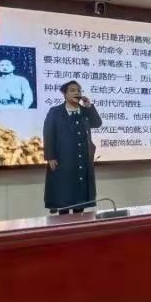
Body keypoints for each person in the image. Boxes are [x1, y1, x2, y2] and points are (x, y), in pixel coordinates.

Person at [43, 80, 102, 214]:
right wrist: (50, 156)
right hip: (63, 159)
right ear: (65, 94)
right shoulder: (55, 112)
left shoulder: (84, 111)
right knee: (63, 196)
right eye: (73, 90)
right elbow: (48, 134)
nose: (77, 93)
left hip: (82, 160)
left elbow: (97, 123)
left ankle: (79, 219)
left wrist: (89, 107)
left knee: (80, 198)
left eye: (79, 90)